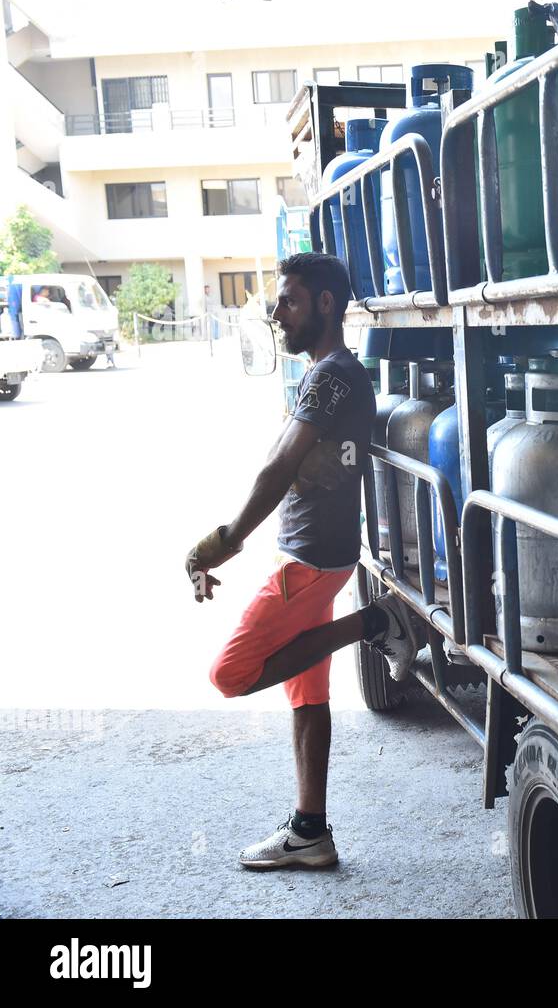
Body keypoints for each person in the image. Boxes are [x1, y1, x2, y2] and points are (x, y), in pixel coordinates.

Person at [185, 252, 418, 870]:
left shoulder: (332, 374)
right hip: (318, 557)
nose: (276, 313)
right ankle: (310, 831)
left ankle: (376, 624)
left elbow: (279, 465)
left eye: (287, 300)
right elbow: (293, 462)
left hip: (307, 565)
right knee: (307, 696)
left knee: (230, 674)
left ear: (324, 304)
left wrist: (222, 541)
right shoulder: (327, 373)